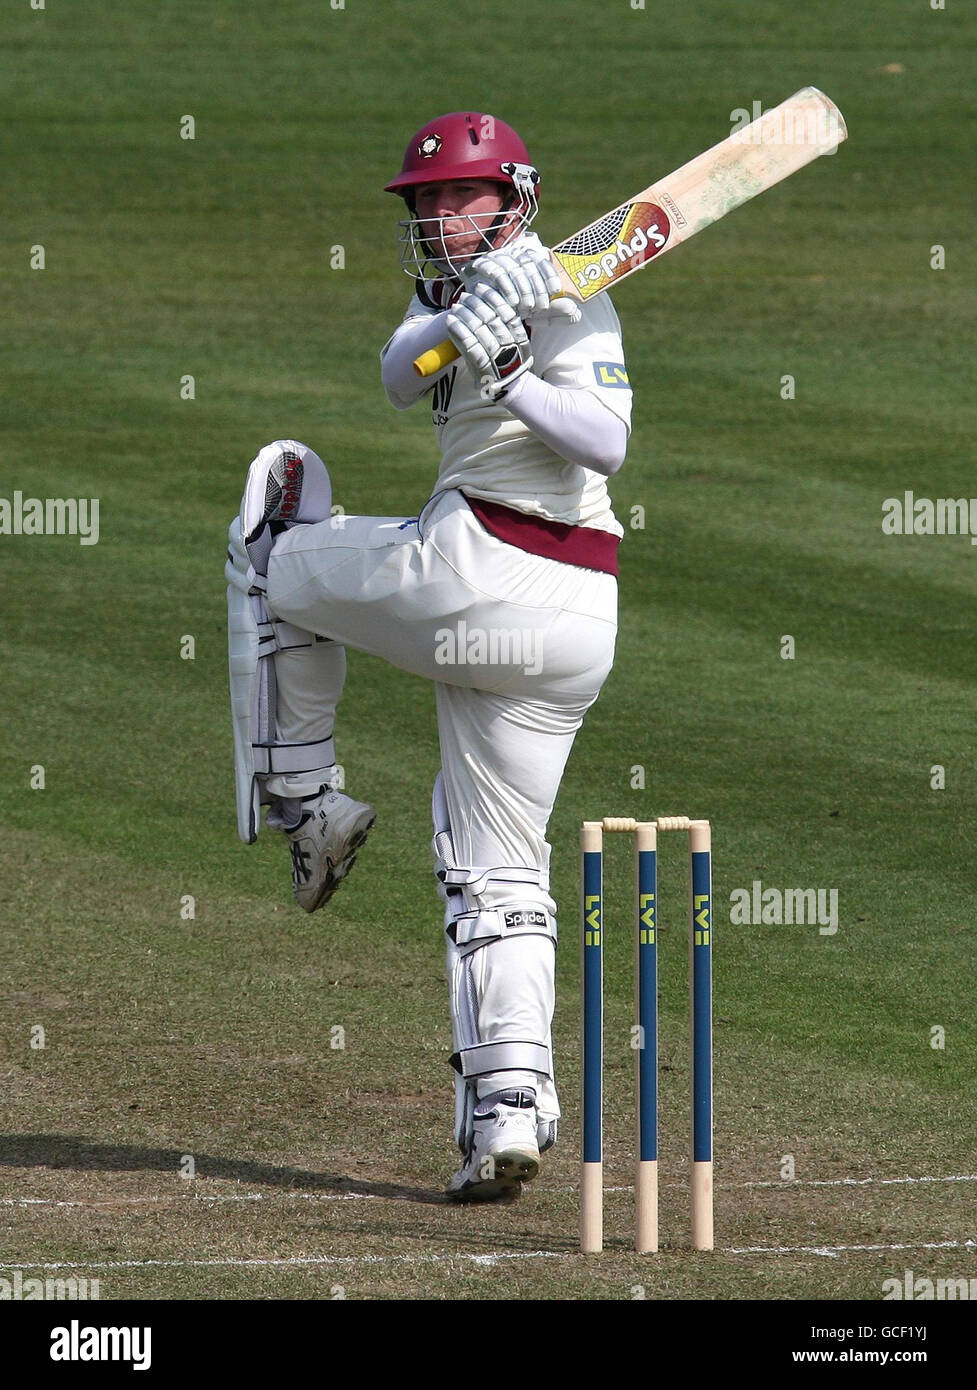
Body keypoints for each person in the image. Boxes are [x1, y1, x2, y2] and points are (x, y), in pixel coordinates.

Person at [225, 111, 632, 1201]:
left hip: (492, 573)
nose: (439, 218)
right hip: (562, 627)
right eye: (425, 203)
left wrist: (511, 369)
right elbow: (400, 377)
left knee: (274, 526)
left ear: (511, 198)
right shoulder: (446, 297)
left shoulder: (571, 293)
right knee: (496, 866)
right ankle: (506, 1111)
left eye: (459, 199)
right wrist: (463, 322)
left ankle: (305, 808)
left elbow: (606, 444)